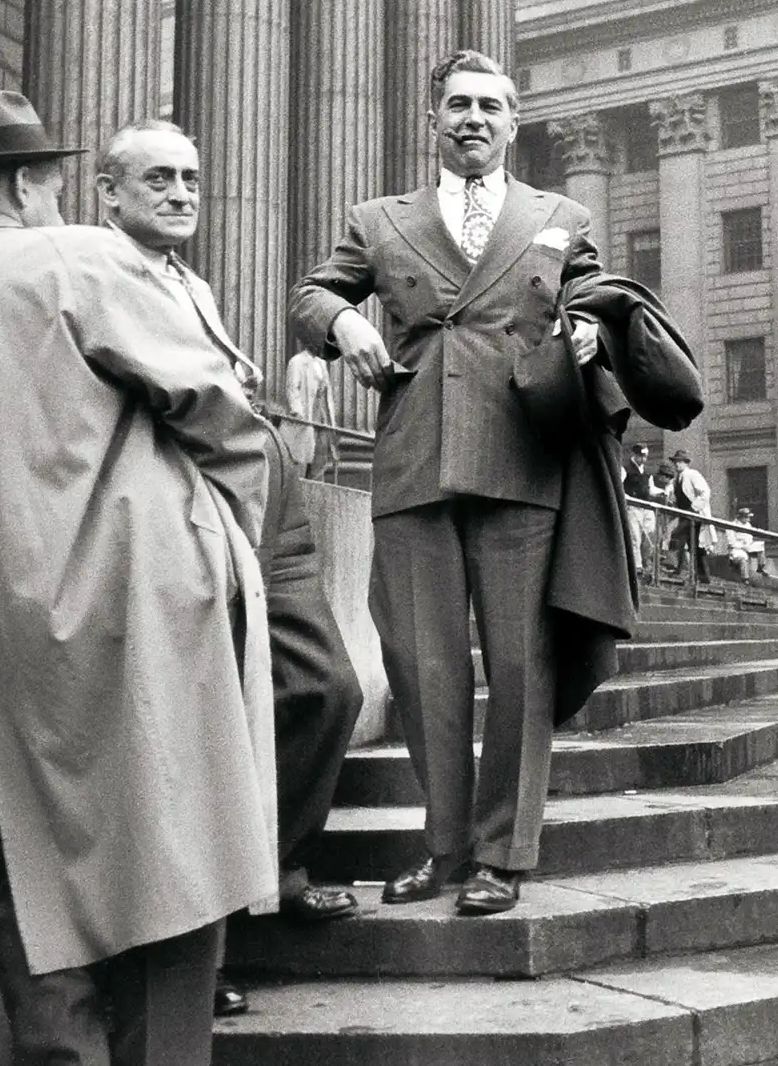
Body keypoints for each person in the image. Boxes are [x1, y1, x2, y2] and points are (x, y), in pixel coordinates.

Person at [0, 91, 276, 1062]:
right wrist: (233, 538)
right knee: (181, 864)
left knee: (29, 875)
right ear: (27, 183)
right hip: (152, 589)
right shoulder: (76, 255)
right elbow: (217, 407)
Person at [290, 49, 609, 918]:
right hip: (415, 460)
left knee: (520, 665)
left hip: (521, 460)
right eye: (458, 105)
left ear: (514, 122)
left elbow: (596, 297)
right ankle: (445, 847)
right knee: (421, 664)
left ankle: (504, 855)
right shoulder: (377, 219)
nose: (473, 119)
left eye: (489, 106)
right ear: (433, 119)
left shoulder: (561, 216)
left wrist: (591, 331)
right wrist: (344, 321)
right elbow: (310, 295)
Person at [93, 120, 367, 1015]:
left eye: (192, 178)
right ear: (108, 193)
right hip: (188, 513)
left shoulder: (192, 281)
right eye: (158, 179)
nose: (181, 193)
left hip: (264, 503)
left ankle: (274, 869)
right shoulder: (98, 274)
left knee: (325, 687)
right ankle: (195, 952)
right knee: (197, 730)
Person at [282, 346, 338, 479]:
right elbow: (292, 388)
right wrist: (296, 410)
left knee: (320, 454)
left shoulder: (321, 363)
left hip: (320, 415)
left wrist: (330, 418)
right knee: (301, 457)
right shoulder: (297, 361)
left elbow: (326, 391)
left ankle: (315, 483)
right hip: (305, 415)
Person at [672, 449, 713, 581]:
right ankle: (701, 575)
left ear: (686, 463)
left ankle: (678, 568)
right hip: (683, 515)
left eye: (680, 462)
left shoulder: (692, 474)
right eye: (675, 462)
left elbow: (705, 492)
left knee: (678, 536)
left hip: (693, 514)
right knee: (692, 545)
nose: (677, 464)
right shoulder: (677, 479)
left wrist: (693, 508)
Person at [622, 443, 658, 576]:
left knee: (650, 534)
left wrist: (662, 493)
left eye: (645, 456)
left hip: (646, 507)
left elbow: (651, 489)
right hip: (633, 506)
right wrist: (627, 498)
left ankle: (646, 560)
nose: (644, 459)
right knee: (635, 536)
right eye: (641, 456)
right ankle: (637, 565)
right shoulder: (625, 469)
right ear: (635, 455)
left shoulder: (647, 472)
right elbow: (619, 486)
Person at [726, 507, 766, 581]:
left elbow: (750, 536)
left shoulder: (748, 525)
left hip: (747, 546)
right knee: (743, 557)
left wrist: (748, 544)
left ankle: (760, 567)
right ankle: (745, 578)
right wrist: (742, 546)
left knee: (760, 545)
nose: (749, 519)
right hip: (737, 548)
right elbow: (731, 542)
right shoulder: (731, 526)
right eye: (747, 517)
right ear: (742, 517)